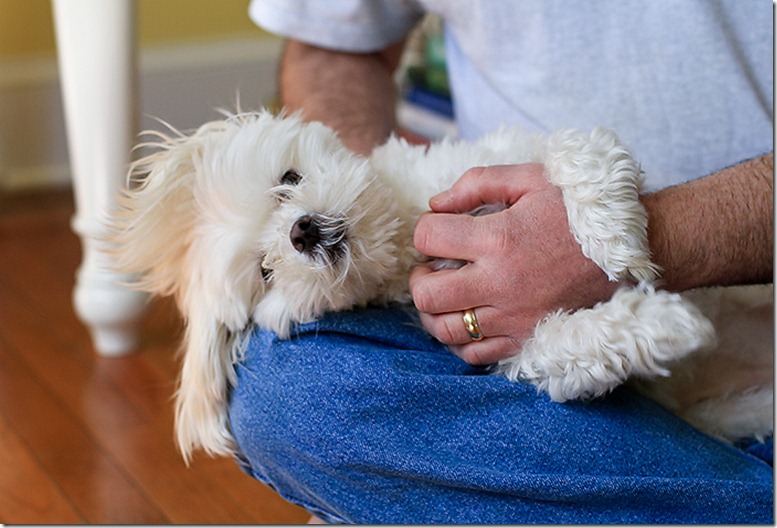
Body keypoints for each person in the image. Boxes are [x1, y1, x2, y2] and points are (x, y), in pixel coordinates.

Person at [227, 1, 774, 523]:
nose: (296, 229)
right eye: (265, 269)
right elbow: (333, 46)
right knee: (278, 395)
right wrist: (378, 223)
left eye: (289, 183)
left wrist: (657, 237)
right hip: (510, 310)